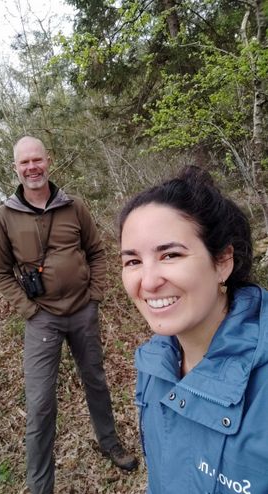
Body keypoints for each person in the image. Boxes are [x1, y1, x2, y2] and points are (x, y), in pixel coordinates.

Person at [0, 136, 138, 493]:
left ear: (49, 161)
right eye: (24, 163)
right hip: (42, 318)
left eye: (37, 160)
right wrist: (28, 308)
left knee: (97, 382)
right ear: (16, 168)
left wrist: (95, 295)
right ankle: (41, 485)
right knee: (40, 403)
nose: (32, 168)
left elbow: (98, 252)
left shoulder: (75, 206)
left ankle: (110, 444)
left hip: (82, 312)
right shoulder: (5, 216)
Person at [119, 165, 268, 494]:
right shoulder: (154, 363)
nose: (148, 281)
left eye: (170, 254)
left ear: (223, 261)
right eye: (132, 261)